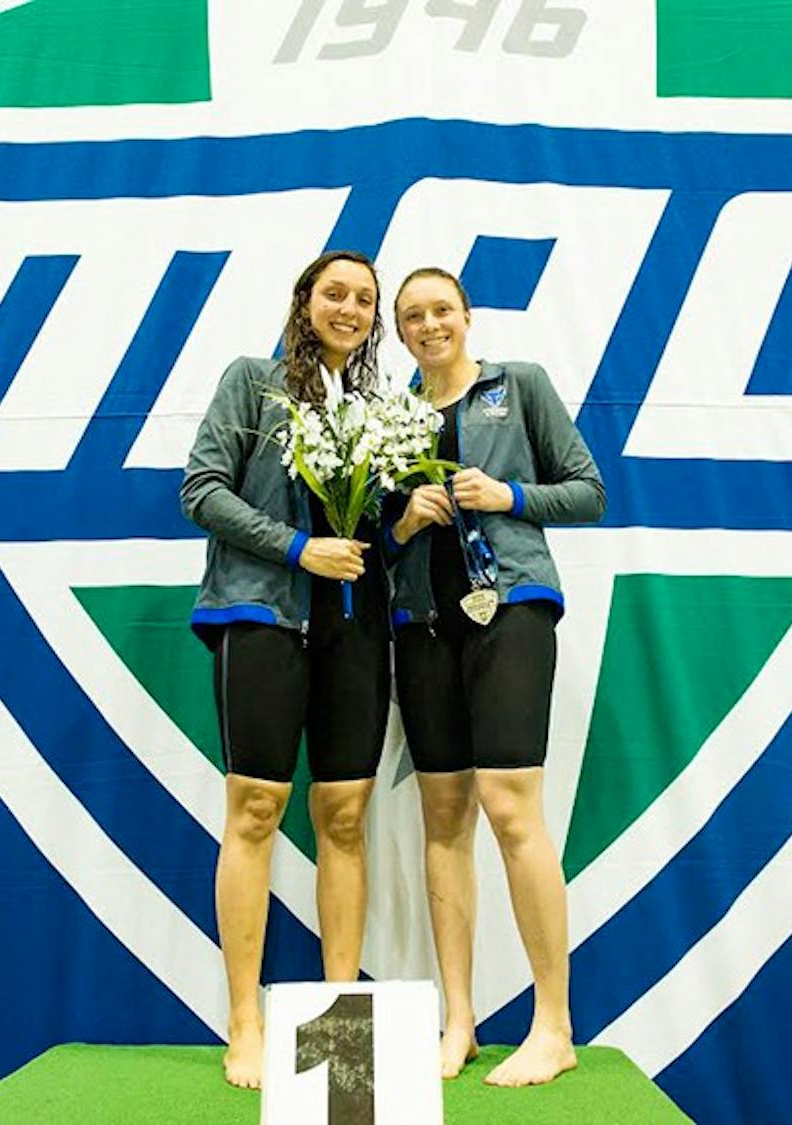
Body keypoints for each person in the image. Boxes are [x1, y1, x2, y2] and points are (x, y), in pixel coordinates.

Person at [387, 267, 605, 1086]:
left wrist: (507, 494)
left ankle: (554, 1025)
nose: (429, 324)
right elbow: (369, 535)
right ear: (400, 332)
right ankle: (460, 1021)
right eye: (413, 316)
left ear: (468, 316)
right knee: (443, 816)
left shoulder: (521, 386)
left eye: (441, 309)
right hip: (423, 624)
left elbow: (588, 492)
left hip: (511, 608)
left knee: (512, 807)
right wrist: (404, 520)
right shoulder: (391, 417)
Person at [180, 250, 392, 1089]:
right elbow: (202, 490)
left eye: (365, 299)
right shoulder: (251, 382)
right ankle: (245, 1020)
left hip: (355, 629)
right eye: (335, 293)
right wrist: (299, 547)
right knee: (257, 808)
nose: (350, 309)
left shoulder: (380, 410)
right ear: (304, 302)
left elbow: (380, 530)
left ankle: (343, 1031)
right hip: (263, 614)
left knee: (344, 814)